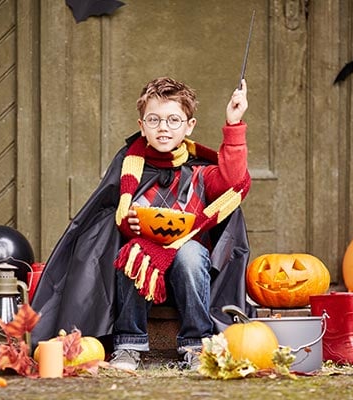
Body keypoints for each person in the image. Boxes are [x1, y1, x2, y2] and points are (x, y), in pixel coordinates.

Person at [30, 76, 254, 371]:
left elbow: (233, 180)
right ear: (141, 125)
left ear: (189, 126)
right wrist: (128, 227)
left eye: (174, 120)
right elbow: (108, 218)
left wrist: (234, 123)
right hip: (138, 277)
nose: (164, 127)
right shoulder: (129, 167)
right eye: (154, 119)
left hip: (191, 276)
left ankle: (196, 343)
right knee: (134, 252)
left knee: (190, 254)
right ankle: (129, 342)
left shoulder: (202, 172)